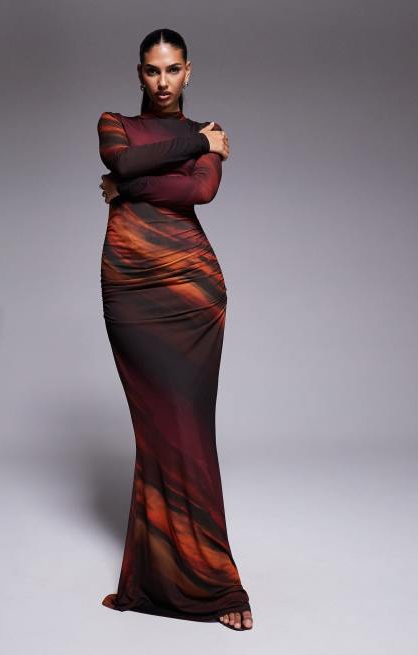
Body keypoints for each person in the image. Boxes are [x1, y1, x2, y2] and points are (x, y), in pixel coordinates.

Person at [97, 28, 253, 632]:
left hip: (192, 292)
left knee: (190, 428)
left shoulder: (207, 128)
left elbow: (201, 190)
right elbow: (123, 160)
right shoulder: (116, 123)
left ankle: (214, 579)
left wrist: (129, 187)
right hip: (130, 291)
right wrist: (194, 145)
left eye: (172, 70)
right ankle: (160, 573)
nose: (162, 82)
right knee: (155, 429)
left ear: (189, 72)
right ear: (139, 73)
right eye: (151, 70)